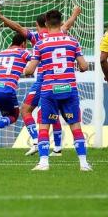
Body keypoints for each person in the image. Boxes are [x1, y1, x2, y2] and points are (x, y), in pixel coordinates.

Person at [0, 6, 81, 156]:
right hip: (64, 80)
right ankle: (57, 147)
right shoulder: (62, 33)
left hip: (44, 80)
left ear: (41, 24)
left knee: (26, 110)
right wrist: (75, 14)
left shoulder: (37, 38)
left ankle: (36, 142)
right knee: (54, 113)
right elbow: (68, 24)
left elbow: (17, 27)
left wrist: (0, 16)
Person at [24, 10, 91, 171]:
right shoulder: (72, 41)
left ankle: (44, 163)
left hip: (49, 90)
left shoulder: (41, 44)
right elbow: (84, 66)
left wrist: (27, 67)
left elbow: (29, 70)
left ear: (46, 24)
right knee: (75, 126)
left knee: (44, 126)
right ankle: (83, 163)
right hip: (69, 89)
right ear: (61, 22)